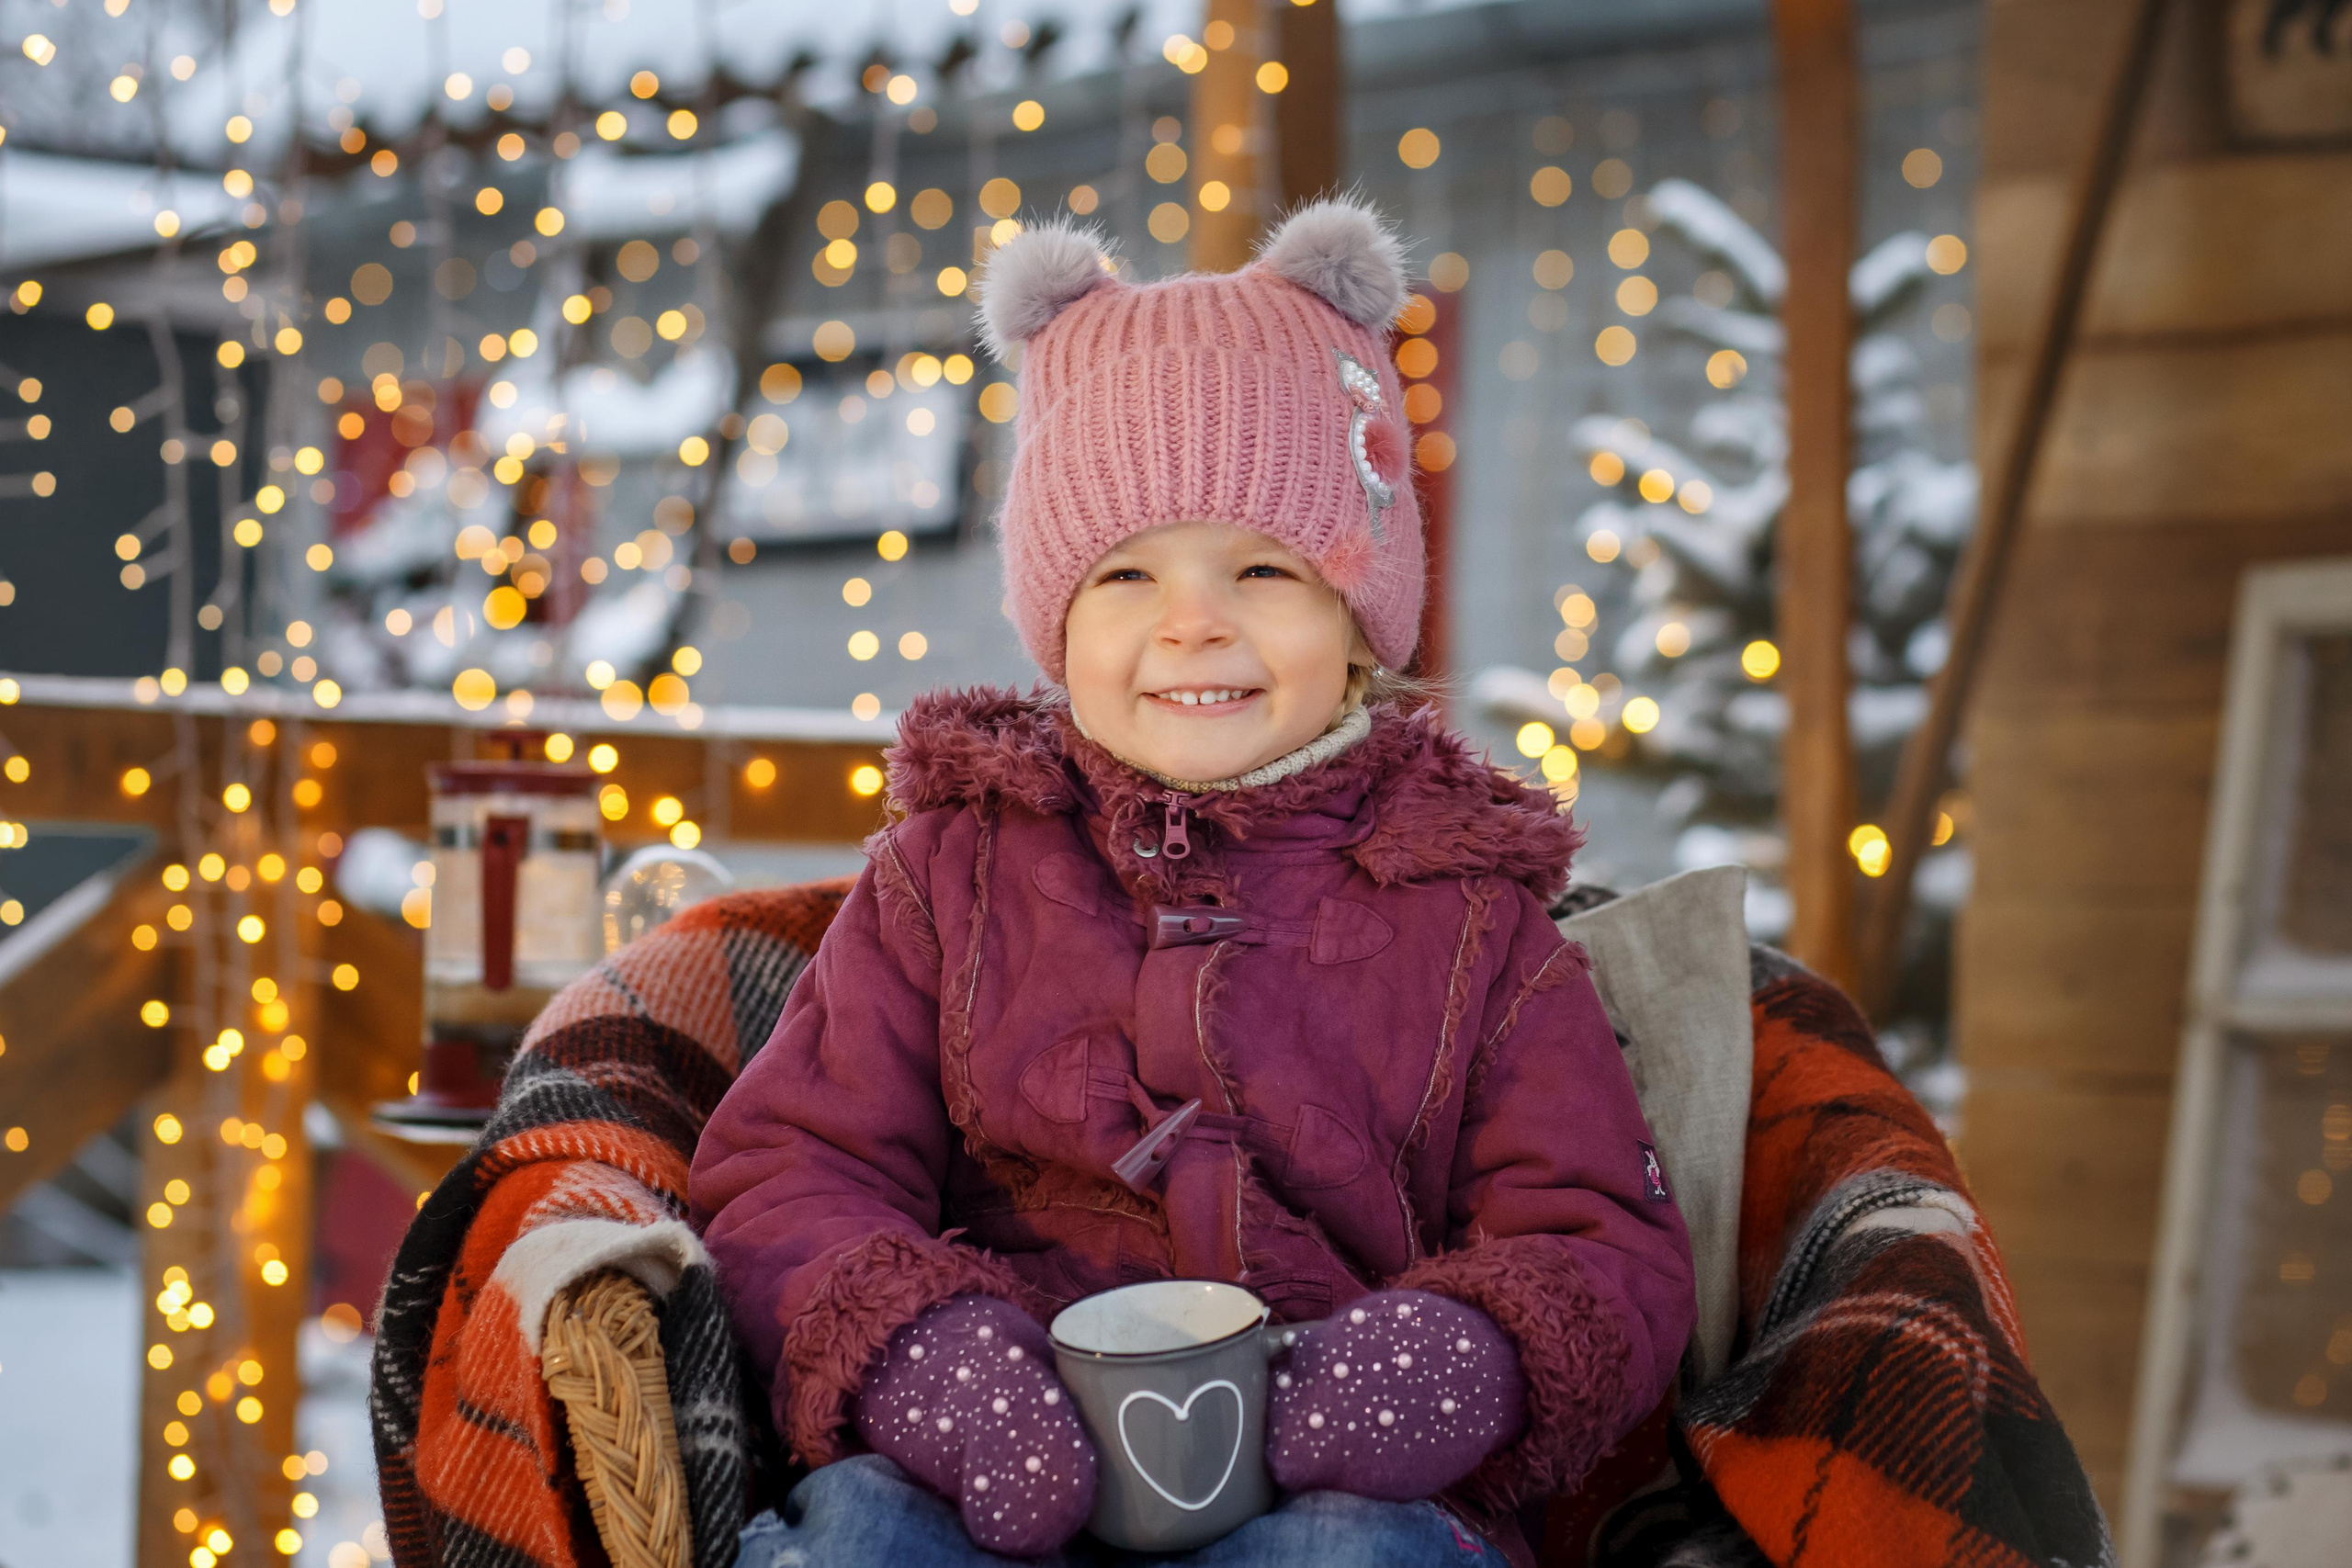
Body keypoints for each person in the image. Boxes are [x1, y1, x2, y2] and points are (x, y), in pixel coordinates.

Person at [690, 196, 1694, 1568]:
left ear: (1360, 616)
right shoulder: (954, 874)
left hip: (1334, 1477)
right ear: (1056, 619)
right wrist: (926, 1357)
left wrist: (1451, 1358)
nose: (1192, 621)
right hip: (1002, 1454)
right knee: (861, 1528)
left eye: (1266, 566)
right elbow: (792, 1166)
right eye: (1124, 574)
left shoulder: (1472, 919)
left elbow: (1598, 1230)